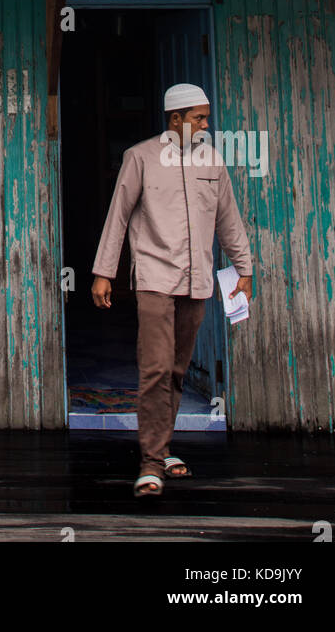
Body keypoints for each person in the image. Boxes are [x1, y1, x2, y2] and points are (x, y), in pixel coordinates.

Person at [90, 83, 253, 497]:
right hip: (155, 279)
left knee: (177, 371)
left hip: (196, 282)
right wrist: (103, 271)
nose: (205, 123)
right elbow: (118, 216)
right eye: (199, 117)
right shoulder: (140, 157)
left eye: (205, 117)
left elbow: (228, 220)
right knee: (156, 368)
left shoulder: (212, 161)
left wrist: (244, 268)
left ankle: (161, 449)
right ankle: (150, 464)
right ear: (176, 119)